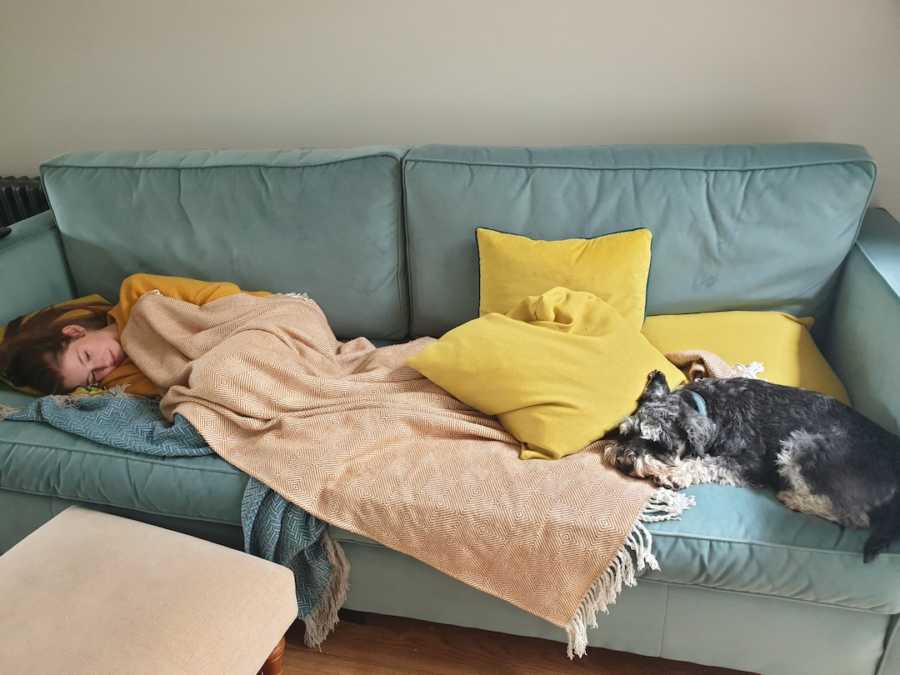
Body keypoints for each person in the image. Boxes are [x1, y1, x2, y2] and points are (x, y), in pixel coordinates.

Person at [0, 273, 267, 396]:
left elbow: (222, 296)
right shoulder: (120, 380)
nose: (104, 365)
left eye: (87, 356)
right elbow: (180, 385)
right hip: (239, 368)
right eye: (93, 375)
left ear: (74, 331)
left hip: (258, 318)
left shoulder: (137, 292)